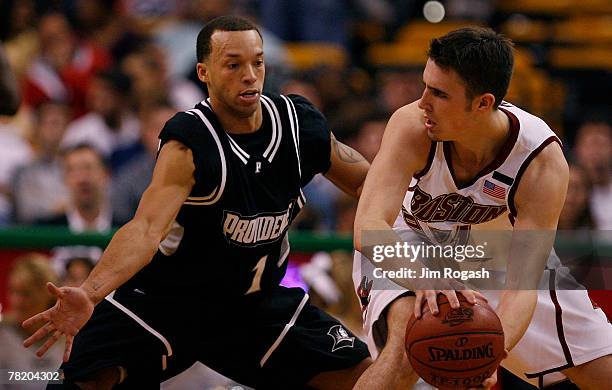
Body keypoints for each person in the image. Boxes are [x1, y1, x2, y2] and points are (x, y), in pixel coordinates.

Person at [23, 15, 371, 389]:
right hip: (168, 302)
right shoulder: (188, 140)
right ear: (204, 72)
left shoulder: (298, 125)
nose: (250, 75)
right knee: (83, 379)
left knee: (363, 375)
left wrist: (425, 269)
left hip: (254, 306)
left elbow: (370, 188)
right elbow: (145, 229)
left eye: (257, 61)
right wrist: (91, 293)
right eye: (234, 65)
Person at [352, 27, 612, 389]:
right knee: (405, 347)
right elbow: (368, 227)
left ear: (483, 103)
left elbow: (522, 286)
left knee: (604, 372)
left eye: (439, 93)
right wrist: (426, 278)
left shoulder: (539, 161)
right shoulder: (411, 126)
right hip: (407, 240)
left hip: (496, 254)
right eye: (425, 85)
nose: (422, 101)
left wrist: (493, 351)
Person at [0, 254, 62, 390]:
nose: (16, 301)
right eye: (12, 291)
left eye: (26, 294)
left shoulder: (68, 333)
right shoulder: (2, 332)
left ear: (48, 295)